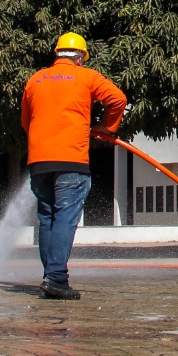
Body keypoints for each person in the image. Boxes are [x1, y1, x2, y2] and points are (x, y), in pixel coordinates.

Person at [21, 32, 128, 300]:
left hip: (39, 161)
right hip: (71, 160)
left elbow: (26, 121)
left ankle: (50, 277)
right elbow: (118, 100)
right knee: (65, 218)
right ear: (80, 58)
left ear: (57, 54)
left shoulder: (35, 80)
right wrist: (106, 127)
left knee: (47, 218)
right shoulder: (86, 76)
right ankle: (56, 279)